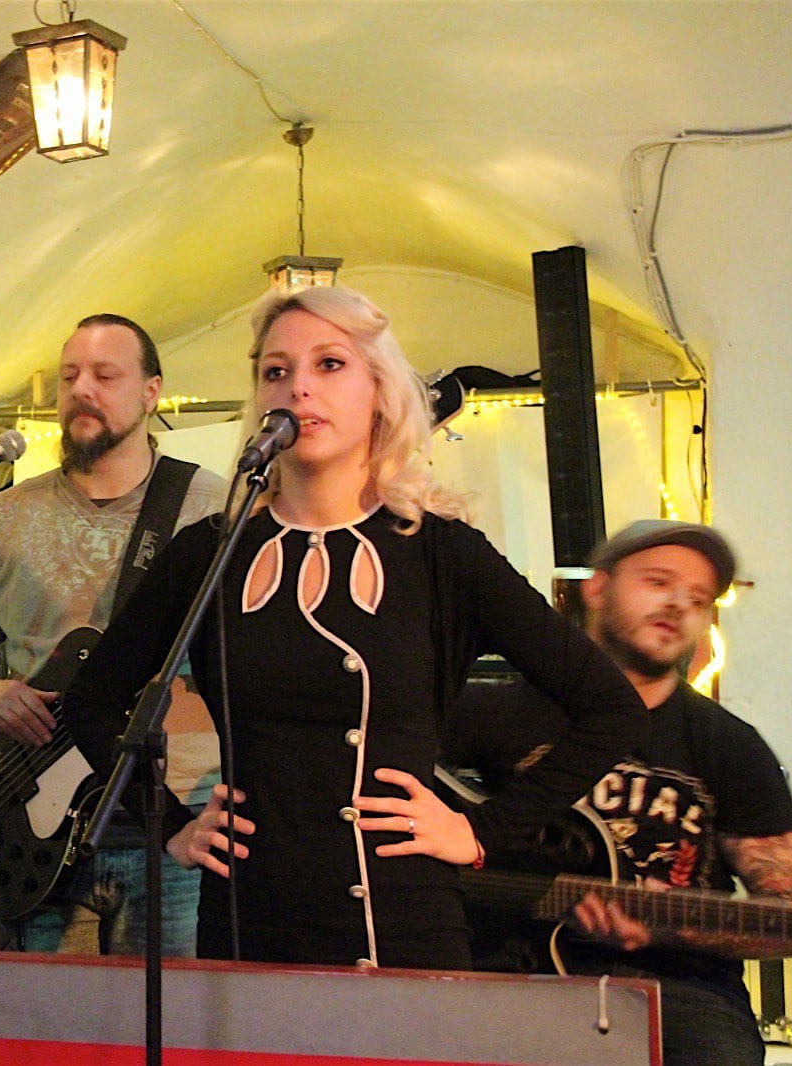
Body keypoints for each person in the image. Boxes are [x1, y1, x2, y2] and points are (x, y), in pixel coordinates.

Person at [62, 285, 647, 969]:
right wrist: (173, 826)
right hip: (248, 919)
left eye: (330, 364)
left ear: (380, 390)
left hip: (401, 923)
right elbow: (92, 701)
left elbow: (611, 709)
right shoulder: (211, 551)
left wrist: (480, 832)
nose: (298, 387)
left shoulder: (442, 554)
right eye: (276, 371)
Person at [443, 521, 792, 1065]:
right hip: (501, 970)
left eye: (699, 598)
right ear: (597, 588)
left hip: (676, 987)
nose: (678, 605)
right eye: (658, 582)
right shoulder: (487, 714)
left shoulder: (728, 744)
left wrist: (676, 929)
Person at [0, 312, 228, 956]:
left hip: (170, 826)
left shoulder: (213, 510)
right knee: (43, 1015)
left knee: (172, 1016)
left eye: (104, 375)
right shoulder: (5, 516)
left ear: (151, 392)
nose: (82, 389)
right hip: (30, 832)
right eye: (69, 377)